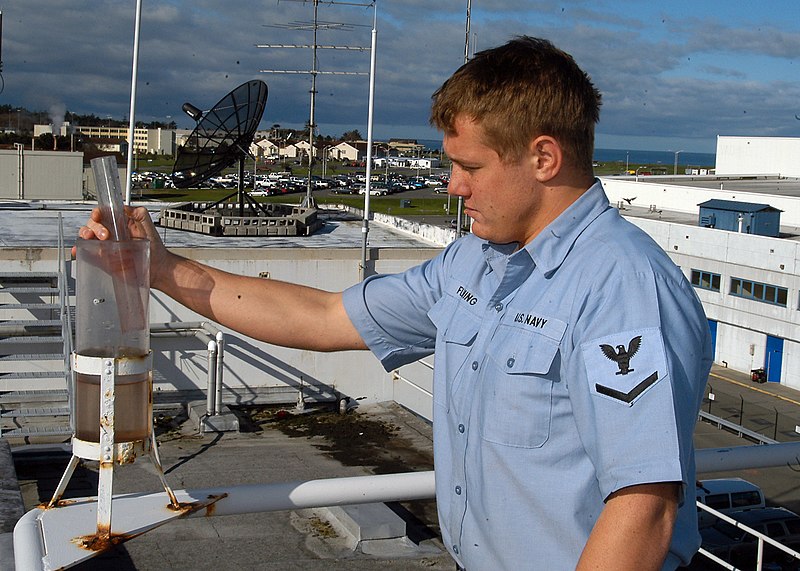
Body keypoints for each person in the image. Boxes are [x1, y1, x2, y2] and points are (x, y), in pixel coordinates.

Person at [79, 36, 711, 570]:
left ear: (544, 157)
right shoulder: (477, 263)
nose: (453, 185)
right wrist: (161, 268)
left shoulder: (624, 288)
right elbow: (322, 317)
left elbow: (644, 506)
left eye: (469, 165)